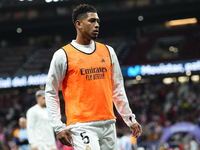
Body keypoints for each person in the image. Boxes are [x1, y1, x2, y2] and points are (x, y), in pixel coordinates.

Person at [45, 4, 142, 150]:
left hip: (108, 123)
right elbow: (51, 92)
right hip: (81, 125)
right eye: (92, 21)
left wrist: (130, 119)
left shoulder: (108, 51)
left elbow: (118, 89)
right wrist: (58, 126)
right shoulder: (62, 55)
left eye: (98, 21)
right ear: (79, 24)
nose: (96, 25)